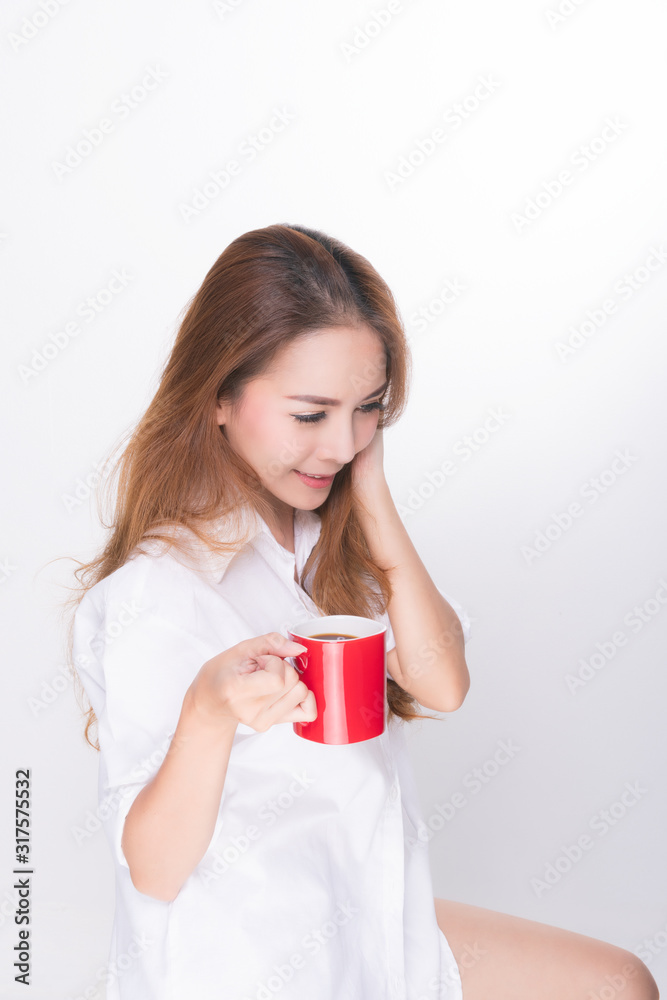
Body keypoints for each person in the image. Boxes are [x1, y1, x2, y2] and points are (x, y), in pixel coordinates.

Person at [65, 223, 659, 1000]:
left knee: (615, 983)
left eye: (367, 409)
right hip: (248, 961)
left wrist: (373, 503)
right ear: (217, 397)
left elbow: (441, 684)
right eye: (310, 415)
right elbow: (152, 867)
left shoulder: (320, 545)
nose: (341, 444)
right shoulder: (160, 593)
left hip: (369, 918)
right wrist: (208, 716)